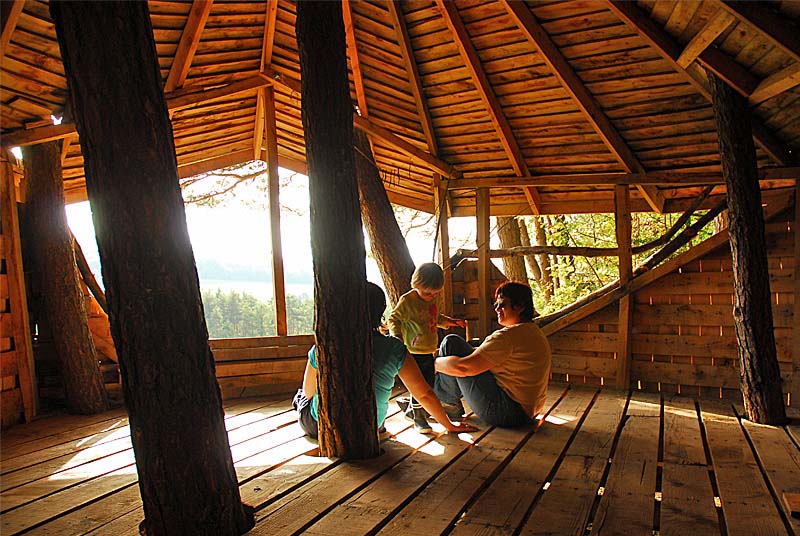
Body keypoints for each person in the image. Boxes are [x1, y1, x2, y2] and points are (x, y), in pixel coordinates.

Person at [293, 282, 477, 439]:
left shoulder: (326, 346)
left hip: (321, 426)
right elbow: (424, 394)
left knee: (301, 396)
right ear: (380, 312)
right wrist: (449, 425)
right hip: (370, 427)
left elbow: (309, 392)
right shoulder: (394, 348)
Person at [434, 281, 551, 427]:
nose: (497, 309)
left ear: (520, 306)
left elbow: (464, 368)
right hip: (529, 412)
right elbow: (483, 354)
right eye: (496, 304)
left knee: (451, 344)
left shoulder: (507, 337)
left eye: (502, 304)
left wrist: (432, 363)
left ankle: (445, 403)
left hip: (507, 413)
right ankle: (441, 400)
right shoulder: (533, 332)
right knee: (455, 351)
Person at [387, 263, 465, 432]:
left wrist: (449, 322)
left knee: (428, 384)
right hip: (413, 350)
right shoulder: (408, 301)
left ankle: (412, 411)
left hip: (428, 349)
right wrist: (397, 336)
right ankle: (419, 419)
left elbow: (434, 317)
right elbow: (393, 319)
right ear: (416, 285)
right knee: (421, 386)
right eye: (427, 293)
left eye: (436, 293)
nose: (431, 296)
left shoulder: (431, 300)